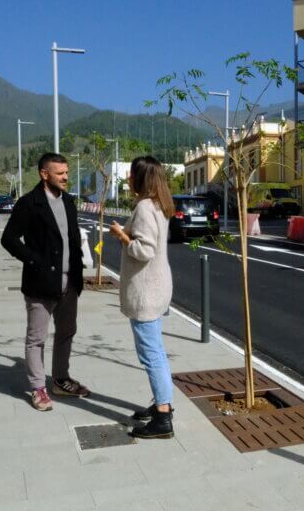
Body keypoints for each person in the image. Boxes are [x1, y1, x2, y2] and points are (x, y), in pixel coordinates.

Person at [1, 153, 88, 411]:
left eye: (66, 172)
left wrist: (79, 274)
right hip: (41, 283)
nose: (65, 177)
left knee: (66, 332)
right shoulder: (30, 203)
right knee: (36, 338)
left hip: (69, 283)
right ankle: (38, 387)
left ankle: (60, 379)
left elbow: (72, 240)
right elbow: (9, 239)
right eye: (59, 173)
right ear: (44, 174)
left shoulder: (70, 202)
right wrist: (34, 261)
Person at [110, 156, 176, 439]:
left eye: (131, 174)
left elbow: (145, 250)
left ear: (142, 178)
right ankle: (162, 403)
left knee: (151, 355)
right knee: (155, 351)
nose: (127, 179)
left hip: (146, 292)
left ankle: (163, 416)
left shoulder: (146, 208)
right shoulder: (159, 205)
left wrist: (123, 237)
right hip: (157, 288)